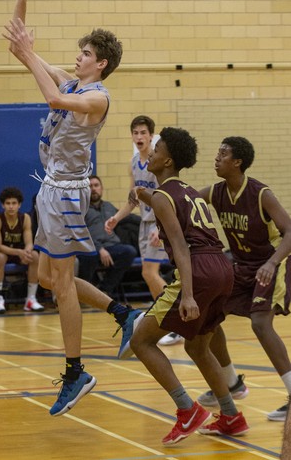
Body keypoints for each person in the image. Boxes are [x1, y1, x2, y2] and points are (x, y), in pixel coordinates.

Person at [3, 0, 141, 417]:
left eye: (84, 53)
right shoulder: (74, 83)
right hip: (51, 188)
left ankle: (75, 372)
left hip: (66, 194)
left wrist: (29, 54)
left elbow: (50, 95)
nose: (77, 57)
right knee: (46, 277)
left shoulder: (97, 96)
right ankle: (123, 314)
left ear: (99, 64)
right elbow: (20, 52)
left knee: (61, 284)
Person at [119, 127, 249, 445]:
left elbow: (179, 244)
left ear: (168, 160)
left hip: (199, 270)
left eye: (157, 147)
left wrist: (188, 294)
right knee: (197, 347)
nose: (150, 151)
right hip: (222, 267)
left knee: (141, 341)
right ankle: (231, 415)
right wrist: (140, 194)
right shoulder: (188, 191)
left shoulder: (164, 196)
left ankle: (187, 409)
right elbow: (153, 199)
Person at [197, 136, 291, 422]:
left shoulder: (261, 194)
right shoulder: (216, 192)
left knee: (260, 324)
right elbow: (185, 202)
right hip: (242, 266)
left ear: (237, 162)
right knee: (208, 317)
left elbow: (290, 231)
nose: (216, 157)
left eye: (222, 153)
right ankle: (231, 383)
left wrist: (272, 263)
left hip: (274, 261)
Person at [105, 115, 182, 346]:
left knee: (149, 272)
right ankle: (172, 318)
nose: (139, 137)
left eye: (143, 133)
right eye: (135, 133)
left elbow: (166, 197)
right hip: (145, 223)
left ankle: (175, 320)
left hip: (159, 224)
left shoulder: (157, 161)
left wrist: (161, 228)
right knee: (147, 274)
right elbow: (133, 199)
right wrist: (116, 218)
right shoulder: (133, 163)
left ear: (150, 135)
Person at [76, 176, 138, 298]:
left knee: (129, 251)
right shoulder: (81, 209)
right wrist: (99, 249)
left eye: (96, 185)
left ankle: (103, 289)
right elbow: (79, 233)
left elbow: (127, 217)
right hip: (91, 248)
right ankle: (83, 293)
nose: (93, 189)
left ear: (102, 189)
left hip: (112, 246)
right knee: (90, 256)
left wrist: (153, 222)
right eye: (90, 186)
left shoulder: (109, 206)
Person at [0, 186, 44, 314]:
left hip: (18, 253)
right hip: (2, 253)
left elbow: (30, 242)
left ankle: (31, 298)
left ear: (19, 205)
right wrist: (20, 252)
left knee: (35, 256)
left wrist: (27, 252)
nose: (11, 206)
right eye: (8, 203)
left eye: (14, 203)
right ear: (3, 205)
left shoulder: (25, 218)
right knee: (0, 257)